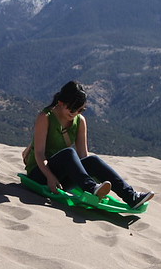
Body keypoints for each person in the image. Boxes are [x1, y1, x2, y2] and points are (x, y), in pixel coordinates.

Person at [22, 81, 154, 209]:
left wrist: (91, 177)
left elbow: (84, 157)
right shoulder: (45, 117)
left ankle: (131, 196)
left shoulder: (80, 121)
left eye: (79, 110)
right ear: (61, 102)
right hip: (39, 174)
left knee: (93, 160)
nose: (74, 113)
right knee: (69, 153)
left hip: (61, 177)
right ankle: (92, 188)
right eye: (72, 109)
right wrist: (49, 177)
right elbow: (39, 154)